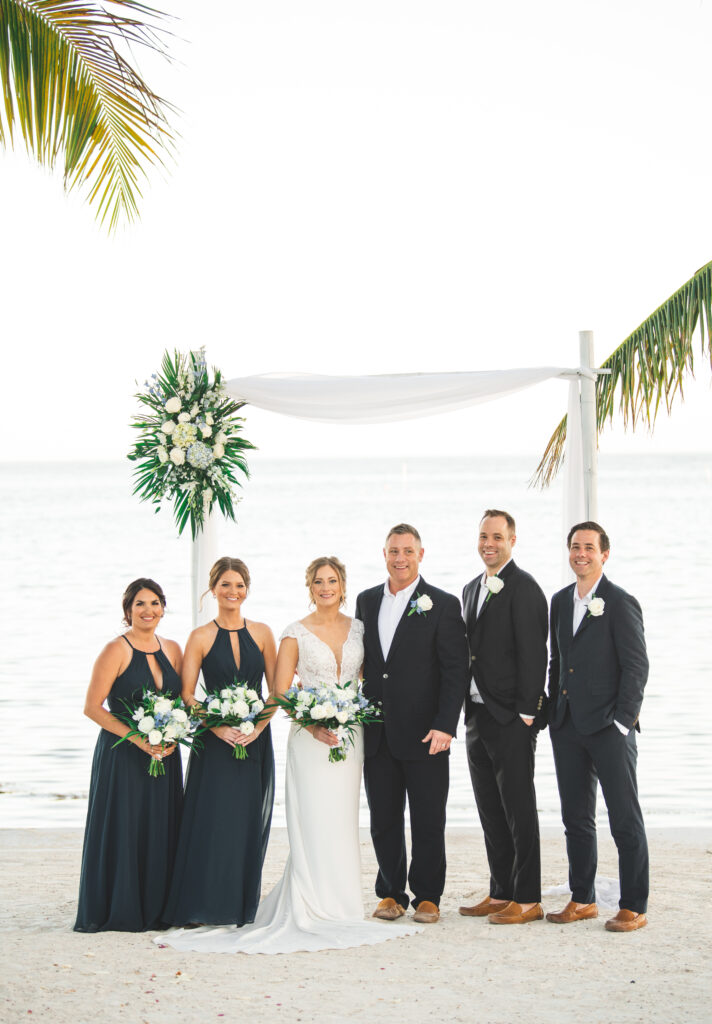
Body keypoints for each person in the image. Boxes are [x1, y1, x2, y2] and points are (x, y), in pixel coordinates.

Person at [159, 556, 421, 953]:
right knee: (312, 818)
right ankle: (307, 902)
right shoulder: (293, 633)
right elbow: (281, 692)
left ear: (343, 585)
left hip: (350, 739)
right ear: (309, 586)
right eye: (319, 581)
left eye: (332, 580)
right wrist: (310, 723)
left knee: (342, 819)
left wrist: (354, 715)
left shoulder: (361, 630)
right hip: (307, 737)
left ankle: (342, 905)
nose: (326, 587)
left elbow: (370, 681)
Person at [355, 524, 470, 924]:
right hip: (378, 732)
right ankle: (390, 892)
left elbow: (455, 671)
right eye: (393, 551)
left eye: (407, 551)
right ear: (383, 554)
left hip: (426, 733)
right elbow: (364, 664)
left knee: (427, 819)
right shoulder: (366, 601)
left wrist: (446, 725)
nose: (400, 558)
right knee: (383, 819)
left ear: (421, 554)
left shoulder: (442, 603)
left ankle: (427, 896)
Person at [161, 557, 276, 928]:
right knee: (211, 821)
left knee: (244, 822)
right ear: (213, 590)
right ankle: (201, 904)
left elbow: (276, 692)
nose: (233, 592)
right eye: (225, 585)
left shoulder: (262, 632)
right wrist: (215, 726)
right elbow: (187, 695)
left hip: (253, 740)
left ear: (247, 589)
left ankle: (238, 906)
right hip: (214, 744)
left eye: (239, 585)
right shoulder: (200, 636)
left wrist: (256, 729)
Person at [547, 521, 650, 932]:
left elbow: (637, 667)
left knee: (624, 818)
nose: (581, 554)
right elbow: (558, 663)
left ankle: (634, 904)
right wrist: (554, 713)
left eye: (589, 547)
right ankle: (583, 898)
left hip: (610, 728)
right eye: (575, 546)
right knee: (576, 818)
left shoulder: (620, 602)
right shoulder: (558, 602)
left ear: (604, 554)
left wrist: (623, 723)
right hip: (568, 726)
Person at [74, 579, 183, 932]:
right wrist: (138, 739)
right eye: (140, 604)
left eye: (154, 603)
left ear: (163, 608)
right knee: (125, 827)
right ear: (127, 611)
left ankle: (157, 909)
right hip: (123, 754)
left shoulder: (173, 649)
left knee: (160, 826)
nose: (148, 610)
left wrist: (173, 735)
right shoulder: (115, 650)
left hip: (164, 753)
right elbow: (93, 707)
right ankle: (119, 908)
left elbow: (179, 703)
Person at [459, 510, 548, 925]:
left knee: (519, 808)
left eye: (496, 536)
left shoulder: (525, 588)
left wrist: (528, 714)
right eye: (483, 536)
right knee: (490, 810)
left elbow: (535, 654)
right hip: (476, 714)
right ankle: (501, 891)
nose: (488, 543)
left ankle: (528, 897)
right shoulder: (469, 588)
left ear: (513, 540)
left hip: (512, 717)